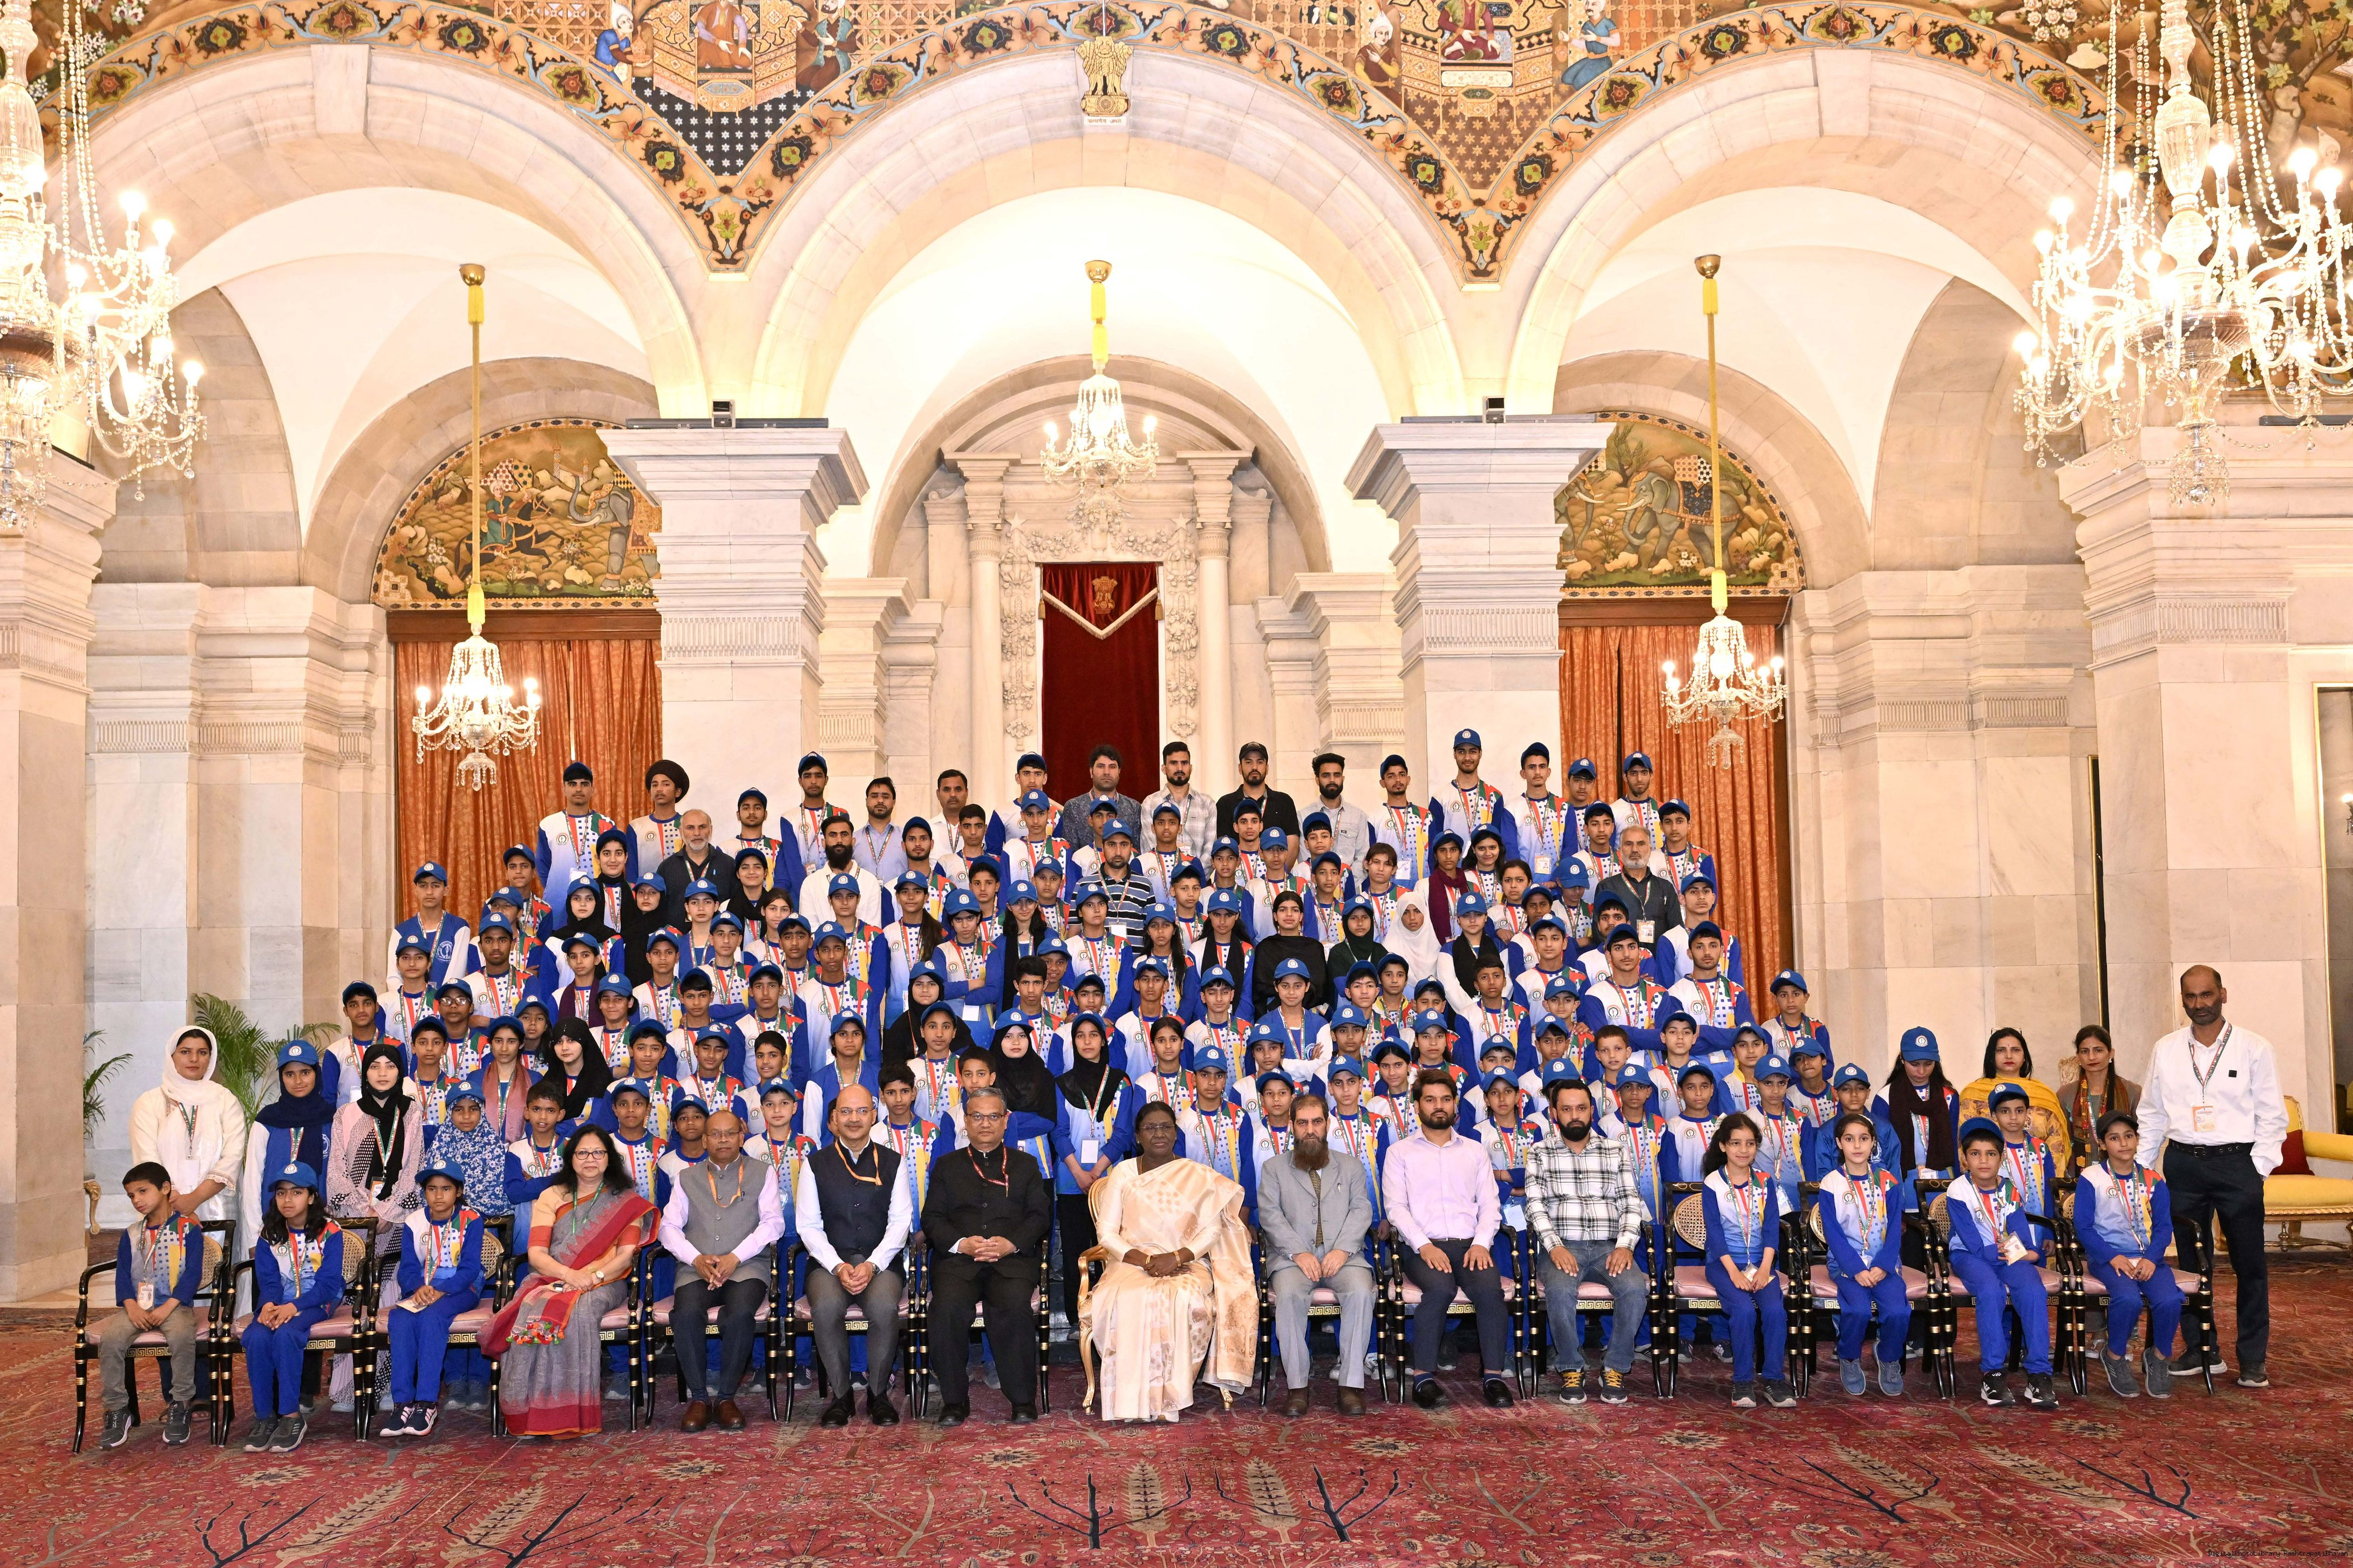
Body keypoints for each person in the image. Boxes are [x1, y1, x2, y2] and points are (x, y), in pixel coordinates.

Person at [2136, 965, 2286, 1388]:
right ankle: (2203, 1350)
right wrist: (2144, 1173)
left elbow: (2273, 1115)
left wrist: (2256, 1169)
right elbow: (2152, 1114)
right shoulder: (2166, 1049)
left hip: (2238, 1164)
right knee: (2189, 1265)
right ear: (2182, 1000)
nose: (2199, 1004)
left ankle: (2252, 1358)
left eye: (2206, 995)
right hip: (2183, 1164)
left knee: (2249, 1265)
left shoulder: (2253, 1047)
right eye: (2190, 996)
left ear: (2223, 994)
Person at [1081, 1100, 1256, 1422]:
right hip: (1131, 1261)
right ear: (1138, 1136)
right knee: (1130, 1296)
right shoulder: (1123, 1173)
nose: (1159, 1134)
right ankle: (1132, 1400)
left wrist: (1176, 1258)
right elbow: (1106, 1234)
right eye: (1150, 1128)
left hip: (1187, 1261)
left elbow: (1211, 1230)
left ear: (1176, 1134)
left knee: (1183, 1297)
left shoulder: (1195, 1175)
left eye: (1165, 1127)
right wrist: (1147, 1260)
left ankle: (1169, 1399)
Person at [485, 1124, 658, 1438]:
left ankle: (574, 1413)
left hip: (606, 1282)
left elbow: (626, 1256)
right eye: (582, 1153)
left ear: (609, 1158)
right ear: (571, 1158)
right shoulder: (552, 1195)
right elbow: (536, 1254)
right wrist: (570, 1276)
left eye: (598, 1153)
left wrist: (593, 1278)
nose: (590, 1159)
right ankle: (531, 1415)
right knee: (532, 1309)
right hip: (552, 1278)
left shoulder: (626, 1200)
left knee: (579, 1311)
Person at [921, 1085, 1052, 1424]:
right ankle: (954, 1400)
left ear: (1006, 1121)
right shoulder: (947, 1166)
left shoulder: (1025, 1165)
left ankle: (1022, 1399)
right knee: (946, 1308)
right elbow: (932, 1218)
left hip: (1011, 1262)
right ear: (966, 1121)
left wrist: (1012, 1243)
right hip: (959, 1262)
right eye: (977, 1116)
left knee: (1012, 1306)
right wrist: (960, 1243)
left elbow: (1040, 1216)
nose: (985, 1123)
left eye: (993, 1116)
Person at [1384, 1069, 1515, 1408]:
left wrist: (1481, 1243)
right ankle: (1423, 1379)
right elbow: (1396, 1208)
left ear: (1456, 1104)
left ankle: (1494, 1377)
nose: (1439, 1106)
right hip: (1421, 1248)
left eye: (1445, 1099)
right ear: (1417, 1106)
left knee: (1490, 1292)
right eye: (1430, 1100)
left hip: (1470, 1246)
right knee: (1440, 1289)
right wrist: (1425, 1246)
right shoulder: (1400, 1153)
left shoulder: (1475, 1151)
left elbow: (1490, 1205)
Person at [656, 1105, 783, 1431]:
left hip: (746, 1267)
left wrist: (735, 1257)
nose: (723, 1140)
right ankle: (700, 1398)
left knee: (739, 1315)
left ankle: (726, 1397)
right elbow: (668, 1228)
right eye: (715, 1134)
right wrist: (695, 1258)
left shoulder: (763, 1172)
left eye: (730, 1133)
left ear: (742, 1137)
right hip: (696, 1268)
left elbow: (773, 1224)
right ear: (705, 1139)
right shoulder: (687, 1178)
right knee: (685, 1314)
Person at [1524, 1076, 1647, 1406]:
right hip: (1563, 1246)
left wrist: (1626, 1245)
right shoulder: (1539, 1152)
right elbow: (1535, 1206)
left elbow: (1630, 1202)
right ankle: (1571, 1366)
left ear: (1592, 1110)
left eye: (1581, 1108)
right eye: (1566, 1109)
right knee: (1560, 1291)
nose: (1575, 1115)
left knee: (1635, 1288)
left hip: (1610, 1247)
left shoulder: (1615, 1150)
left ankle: (1616, 1366)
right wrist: (1554, 1246)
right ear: (1554, 1113)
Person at [1251, 1090, 1375, 1416]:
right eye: (1303, 1123)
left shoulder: (1350, 1166)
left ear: (1327, 1124)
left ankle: (1351, 1385)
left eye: (1317, 1122)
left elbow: (1362, 1210)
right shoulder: (1274, 1168)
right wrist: (1299, 1253)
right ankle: (1297, 1386)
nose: (1310, 1130)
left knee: (1361, 1291)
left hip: (1343, 1257)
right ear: (1292, 1125)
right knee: (1289, 1294)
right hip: (1292, 1259)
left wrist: (1342, 1249)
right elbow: (1270, 1215)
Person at [797, 1084, 912, 1427]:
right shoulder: (815, 1164)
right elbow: (808, 1225)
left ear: (874, 1116)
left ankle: (878, 1394)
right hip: (829, 1264)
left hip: (881, 1263)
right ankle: (842, 1395)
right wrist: (837, 1265)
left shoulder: (893, 1162)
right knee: (826, 1307)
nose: (854, 1118)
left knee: (883, 1308)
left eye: (862, 1111)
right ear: (834, 1119)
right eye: (846, 1112)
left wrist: (874, 1264)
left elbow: (901, 1222)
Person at [1947, 1117, 2060, 1409]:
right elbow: (1970, 1238)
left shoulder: (2009, 1188)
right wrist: (1997, 1253)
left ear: (2001, 1158)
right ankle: (1993, 1373)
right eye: (1975, 1154)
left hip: (2006, 1253)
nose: (1983, 1161)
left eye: (1991, 1154)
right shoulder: (1958, 1190)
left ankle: (2039, 1373)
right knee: (1991, 1291)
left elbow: (2019, 1229)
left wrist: (2028, 1252)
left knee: (2033, 1289)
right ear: (1965, 1158)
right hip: (1970, 1256)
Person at [93, 1161, 207, 1449]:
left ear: (165, 1188)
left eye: (143, 1191)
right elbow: (122, 1275)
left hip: (174, 1306)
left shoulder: (188, 1229)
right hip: (137, 1307)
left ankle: (181, 1403)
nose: (137, 1200)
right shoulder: (132, 1233)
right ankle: (117, 1409)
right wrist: (131, 1306)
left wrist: (168, 1307)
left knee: (181, 1337)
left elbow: (192, 1274)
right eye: (132, 1195)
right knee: (111, 1340)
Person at [240, 1162, 345, 1454]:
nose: (287, 1200)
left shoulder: (330, 1231)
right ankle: (265, 1416)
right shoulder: (270, 1234)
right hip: (280, 1302)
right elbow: (269, 1281)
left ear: (312, 1197)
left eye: (296, 1193)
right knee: (256, 1336)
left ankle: (291, 1415)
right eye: (281, 1193)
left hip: (317, 1301)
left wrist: (293, 1307)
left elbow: (328, 1285)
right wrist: (269, 1305)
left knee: (287, 1335)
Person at [2078, 1109, 2182, 1400]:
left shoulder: (2153, 1179)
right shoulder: (2092, 1178)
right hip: (2109, 1258)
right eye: (2114, 1138)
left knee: (2170, 1300)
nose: (2123, 1143)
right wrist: (2111, 1257)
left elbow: (2163, 1226)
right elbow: (2083, 1227)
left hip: (2149, 1258)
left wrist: (2151, 1258)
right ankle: (2115, 1356)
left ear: (2137, 1139)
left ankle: (2158, 1358)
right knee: (2128, 1299)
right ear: (2102, 1144)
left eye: (2128, 1136)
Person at [379, 1155, 486, 1438]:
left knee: (432, 1318)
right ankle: (402, 1403)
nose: (438, 1196)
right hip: (423, 1289)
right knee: (400, 1318)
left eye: (446, 1189)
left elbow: (470, 1268)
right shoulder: (414, 1221)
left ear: (458, 1192)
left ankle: (426, 1402)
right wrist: (418, 1288)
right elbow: (407, 1268)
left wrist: (441, 1291)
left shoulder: (472, 1219)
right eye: (432, 1189)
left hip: (460, 1288)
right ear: (424, 1192)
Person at [1814, 1111, 1915, 1399]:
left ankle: (1888, 1356)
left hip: (1884, 1263)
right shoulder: (1831, 1183)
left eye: (1864, 1139)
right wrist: (1856, 1268)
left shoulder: (1888, 1181)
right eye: (1849, 1139)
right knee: (1857, 1310)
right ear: (1839, 1143)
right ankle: (1849, 1357)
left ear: (1873, 1143)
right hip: (1846, 1264)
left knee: (1898, 1311)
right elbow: (1833, 1233)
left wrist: (1883, 1265)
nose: (1857, 1145)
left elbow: (1895, 1228)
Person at [1700, 1114, 1796, 1408]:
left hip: (1761, 1265)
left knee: (1775, 1311)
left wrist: (1766, 1268)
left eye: (1750, 1144)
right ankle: (1742, 1380)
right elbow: (1714, 1233)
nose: (1744, 1150)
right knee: (1743, 1311)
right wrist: (1734, 1273)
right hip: (1724, 1265)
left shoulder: (1765, 1182)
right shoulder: (1713, 1183)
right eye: (1736, 1143)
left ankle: (1773, 1379)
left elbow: (1772, 1229)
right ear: (1723, 1146)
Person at [130, 1026, 248, 1225]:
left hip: (217, 1208)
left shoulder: (225, 1100)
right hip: (163, 1207)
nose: (194, 1059)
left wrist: (194, 1199)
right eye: (185, 1052)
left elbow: (233, 1156)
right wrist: (175, 1202)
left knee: (215, 1247)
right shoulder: (149, 1103)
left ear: (210, 1058)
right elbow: (147, 1159)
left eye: (202, 1053)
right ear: (171, 1056)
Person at [536, 760, 628, 897]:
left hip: (598, 898)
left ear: (592, 790)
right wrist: (557, 889)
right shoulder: (548, 825)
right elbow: (543, 866)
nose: (578, 789)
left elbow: (615, 864)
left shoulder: (606, 824)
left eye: (584, 784)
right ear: (564, 789)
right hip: (559, 899)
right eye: (573, 784)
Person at [2060, 1023, 2139, 1170]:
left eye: (2098, 1050)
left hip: (2124, 1172)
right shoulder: (2065, 1094)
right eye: (2085, 1051)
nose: (2091, 1057)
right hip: (2078, 1174)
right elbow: (2062, 1140)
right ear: (2078, 1056)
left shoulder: (2132, 1092)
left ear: (2111, 1053)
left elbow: (2142, 1136)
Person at [1052, 745, 1144, 847]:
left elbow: (1137, 851)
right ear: (1091, 772)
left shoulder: (1134, 808)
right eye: (1101, 766)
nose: (1107, 772)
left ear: (1119, 772)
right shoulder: (1074, 807)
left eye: (1112, 767)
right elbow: (1070, 851)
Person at [1141, 740, 1216, 858]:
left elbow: (1210, 850)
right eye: (1174, 763)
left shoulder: (1207, 803)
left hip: (1198, 870)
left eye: (1184, 763)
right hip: (1161, 868)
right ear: (1164, 769)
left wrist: (1195, 869)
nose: (1180, 768)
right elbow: (1149, 848)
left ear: (1191, 768)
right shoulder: (1150, 803)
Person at [1217, 740, 1300, 839]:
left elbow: (1293, 843)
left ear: (1267, 768)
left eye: (1260, 762)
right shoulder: (1225, 804)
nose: (1255, 767)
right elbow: (1223, 845)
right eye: (1248, 762)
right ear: (1240, 768)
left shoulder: (1284, 802)